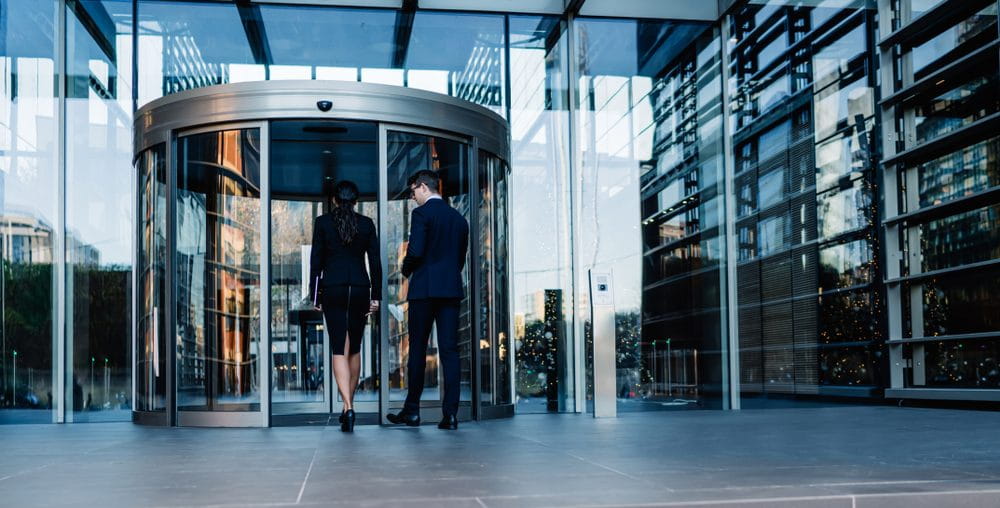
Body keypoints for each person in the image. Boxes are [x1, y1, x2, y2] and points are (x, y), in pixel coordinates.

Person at [386, 170, 469, 430]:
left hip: (423, 290)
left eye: (413, 192)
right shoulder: (459, 219)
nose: (412, 198)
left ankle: (412, 411)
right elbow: (460, 258)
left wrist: (405, 268)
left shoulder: (421, 214)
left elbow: (416, 250)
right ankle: (451, 415)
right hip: (450, 290)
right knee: (450, 351)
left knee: (418, 349)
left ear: (423, 187)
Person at [309, 180, 381, 432]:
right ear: (356, 200)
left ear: (335, 200)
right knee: (356, 348)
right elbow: (375, 262)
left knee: (339, 347)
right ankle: (347, 408)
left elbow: (315, 262)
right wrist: (376, 296)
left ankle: (348, 407)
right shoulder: (366, 224)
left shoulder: (323, 223)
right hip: (360, 288)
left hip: (334, 288)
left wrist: (315, 295)